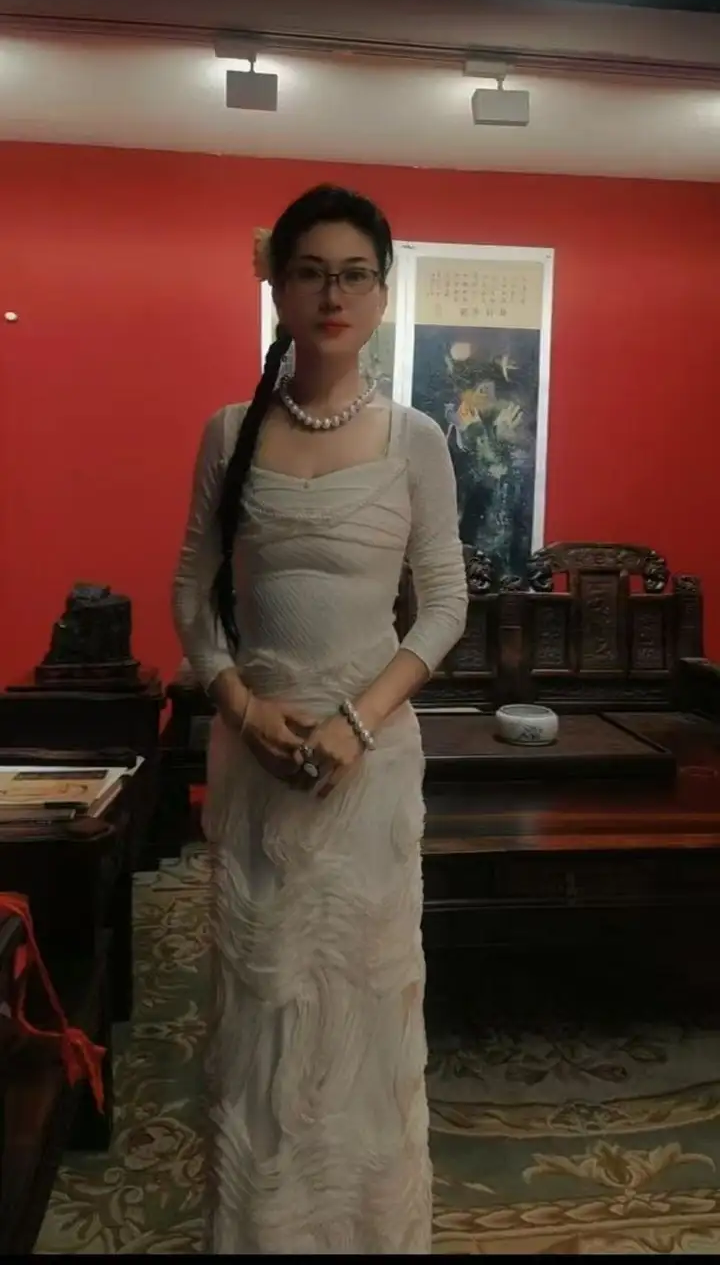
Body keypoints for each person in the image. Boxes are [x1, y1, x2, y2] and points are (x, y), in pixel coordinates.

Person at [172, 184, 468, 1255]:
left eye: (354, 275)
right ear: (280, 289)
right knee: (264, 1012)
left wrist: (359, 721)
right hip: (257, 767)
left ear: (381, 294)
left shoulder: (416, 439)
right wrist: (241, 704)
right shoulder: (229, 432)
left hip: (368, 773)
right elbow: (191, 594)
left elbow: (444, 606)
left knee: (364, 1006)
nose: (332, 294)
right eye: (311, 272)